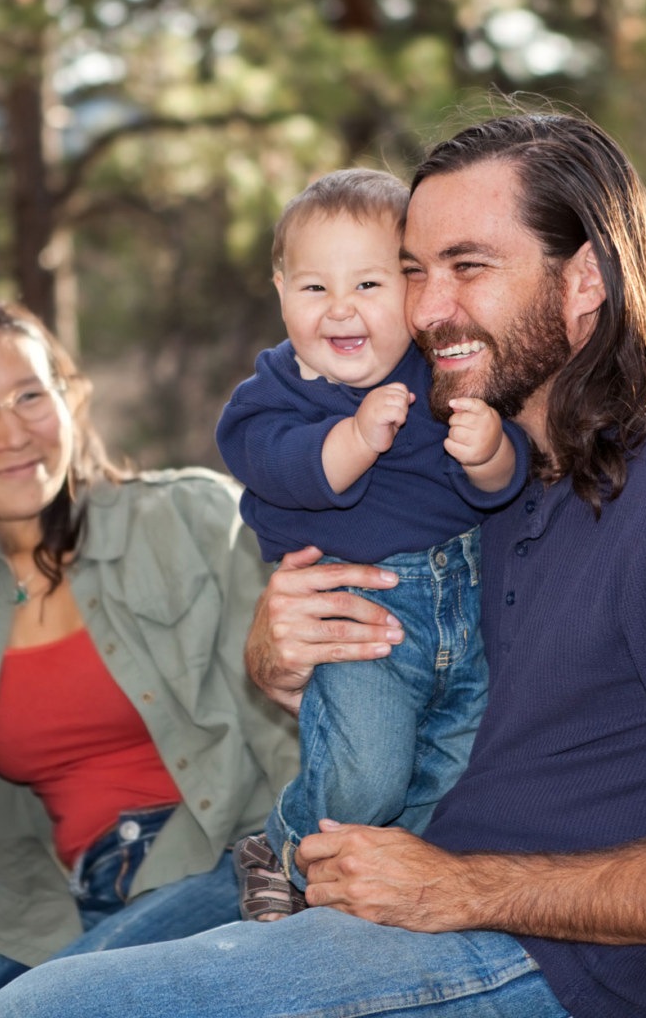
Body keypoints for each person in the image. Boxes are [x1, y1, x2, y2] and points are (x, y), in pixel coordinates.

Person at [0, 112, 646, 1018]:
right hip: (385, 881)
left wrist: (463, 890)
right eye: (414, 270)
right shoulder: (477, 466)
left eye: (468, 267)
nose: (428, 309)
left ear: (586, 278)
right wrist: (277, 658)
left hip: (549, 964)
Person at [0, 296, 300, 1018]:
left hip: (231, 866)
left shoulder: (191, 518)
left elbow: (302, 711)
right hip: (83, 908)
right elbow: (7, 831)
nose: (12, 434)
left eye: (28, 396)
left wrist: (313, 863)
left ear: (69, 401)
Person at [216, 167, 528, 919]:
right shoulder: (270, 400)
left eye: (370, 286)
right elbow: (293, 472)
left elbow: (501, 486)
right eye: (314, 288)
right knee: (369, 774)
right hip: (363, 616)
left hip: (468, 603)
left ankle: (355, 891)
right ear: (280, 289)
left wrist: (488, 450)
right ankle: (284, 845)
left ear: (413, 294)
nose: (340, 310)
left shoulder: (441, 375)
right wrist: (355, 437)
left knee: (456, 768)